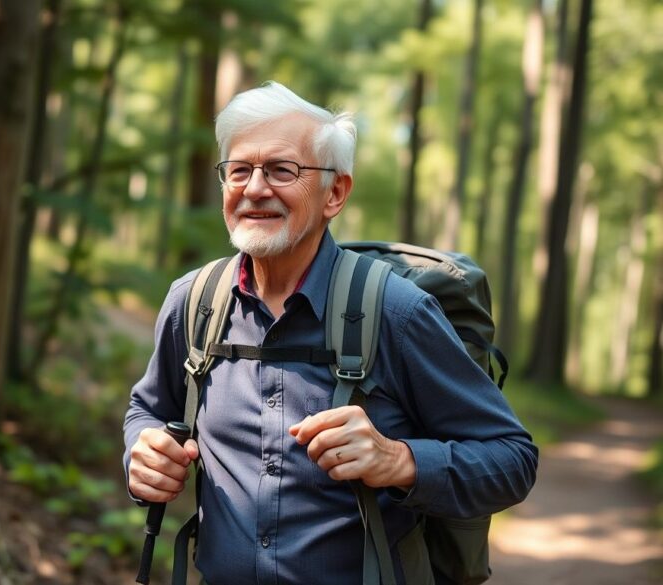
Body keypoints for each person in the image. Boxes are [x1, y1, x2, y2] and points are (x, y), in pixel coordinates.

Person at [122, 81, 538, 584]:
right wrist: (140, 450)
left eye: (281, 170)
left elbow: (512, 459)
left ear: (334, 193)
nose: (254, 188)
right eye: (239, 170)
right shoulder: (194, 303)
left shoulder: (396, 312)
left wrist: (400, 460)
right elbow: (148, 408)